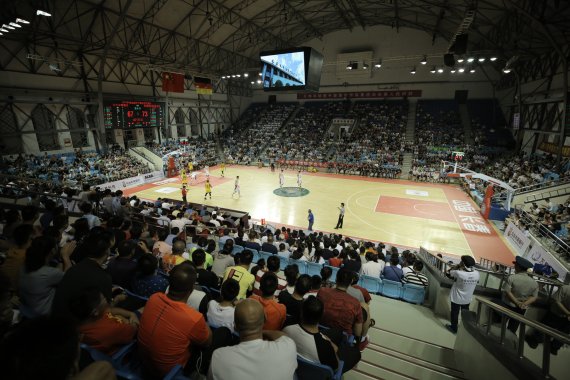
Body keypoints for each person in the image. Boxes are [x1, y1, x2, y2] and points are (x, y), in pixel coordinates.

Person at [138, 263, 212, 377]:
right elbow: (207, 342)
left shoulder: (154, 298)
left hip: (141, 360)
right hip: (170, 372)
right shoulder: (194, 318)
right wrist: (204, 322)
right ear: (191, 289)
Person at [208, 299, 297, 380]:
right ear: (265, 320)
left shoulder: (218, 357)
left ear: (235, 327)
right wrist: (260, 331)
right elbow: (283, 336)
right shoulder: (288, 347)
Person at [284, 296, 361, 373]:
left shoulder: (286, 327)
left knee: (338, 332)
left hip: (298, 358)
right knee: (356, 353)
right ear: (321, 316)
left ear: (301, 313)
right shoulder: (325, 347)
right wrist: (333, 347)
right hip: (313, 372)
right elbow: (336, 369)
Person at [68, 287, 138, 355]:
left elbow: (109, 310)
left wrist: (130, 313)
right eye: (103, 299)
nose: (106, 299)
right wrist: (134, 317)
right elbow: (134, 330)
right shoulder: (109, 330)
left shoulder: (81, 319)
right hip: (125, 344)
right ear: (95, 312)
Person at [19, 236, 74, 317]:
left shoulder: (24, 266)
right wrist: (66, 256)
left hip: (25, 311)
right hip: (42, 317)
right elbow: (68, 277)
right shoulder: (48, 273)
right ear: (52, 251)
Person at [526, 284, 570, 355]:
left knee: (545, 326)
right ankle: (554, 347)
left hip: (556, 312)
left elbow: (557, 301)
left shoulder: (565, 288)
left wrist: (567, 313)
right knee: (564, 332)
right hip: (567, 318)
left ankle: (535, 340)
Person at [500, 256, 538, 333]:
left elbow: (507, 291)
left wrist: (517, 302)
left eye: (515, 265)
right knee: (513, 327)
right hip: (521, 309)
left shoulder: (512, 278)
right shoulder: (534, 283)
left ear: (518, 267)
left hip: (507, 305)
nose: (514, 266)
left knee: (500, 324)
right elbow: (534, 297)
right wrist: (523, 304)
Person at [445, 255, 480, 334]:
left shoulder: (459, 273)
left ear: (463, 264)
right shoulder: (477, 274)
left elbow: (447, 273)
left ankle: (454, 328)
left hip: (456, 298)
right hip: (467, 298)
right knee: (465, 314)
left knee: (454, 313)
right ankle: (465, 329)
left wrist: (457, 266)